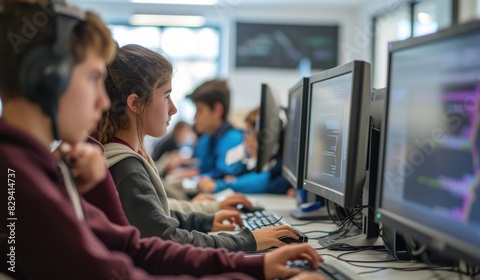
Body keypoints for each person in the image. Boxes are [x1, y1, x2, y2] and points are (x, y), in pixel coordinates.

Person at [0, 1, 325, 279]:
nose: (101, 102)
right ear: (47, 80)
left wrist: (258, 264)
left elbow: (131, 247)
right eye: (92, 78)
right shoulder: (21, 180)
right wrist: (249, 265)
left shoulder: (40, 168)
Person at [92, 43, 302, 252]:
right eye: (166, 96)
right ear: (135, 104)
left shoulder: (126, 157)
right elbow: (166, 238)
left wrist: (206, 220)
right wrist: (247, 240)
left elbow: (155, 218)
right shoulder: (126, 167)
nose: (173, 109)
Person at [198, 107, 294, 196]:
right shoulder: (265, 164)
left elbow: (261, 181)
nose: (245, 140)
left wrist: (216, 186)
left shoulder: (278, 170)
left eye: (249, 133)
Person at [188, 79, 248, 179]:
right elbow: (201, 168)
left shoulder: (234, 139)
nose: (195, 118)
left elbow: (222, 175)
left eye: (200, 110)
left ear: (217, 110)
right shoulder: (206, 138)